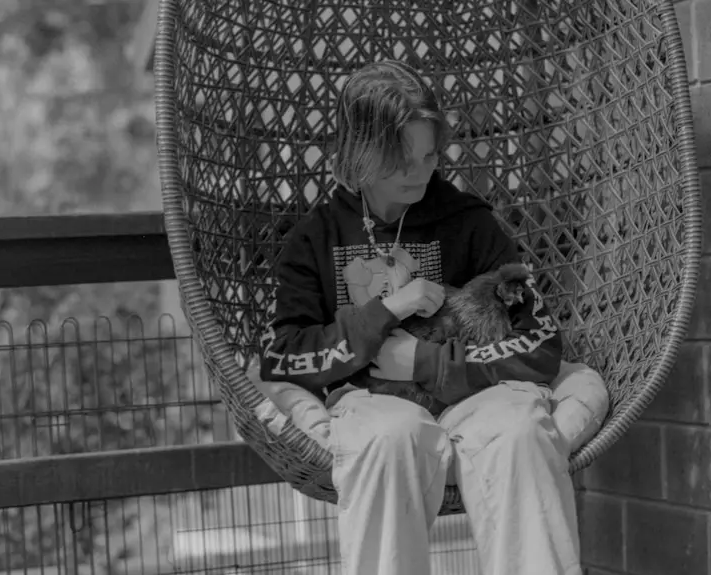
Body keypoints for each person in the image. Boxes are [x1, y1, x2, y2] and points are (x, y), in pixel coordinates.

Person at [257, 59, 609, 575]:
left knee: (519, 431)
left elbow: (541, 345)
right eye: (402, 159)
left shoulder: (470, 223)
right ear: (361, 150)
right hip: (373, 404)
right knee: (386, 439)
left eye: (428, 156)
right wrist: (383, 314)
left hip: (477, 394)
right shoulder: (315, 239)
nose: (420, 172)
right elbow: (281, 359)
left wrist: (428, 363)